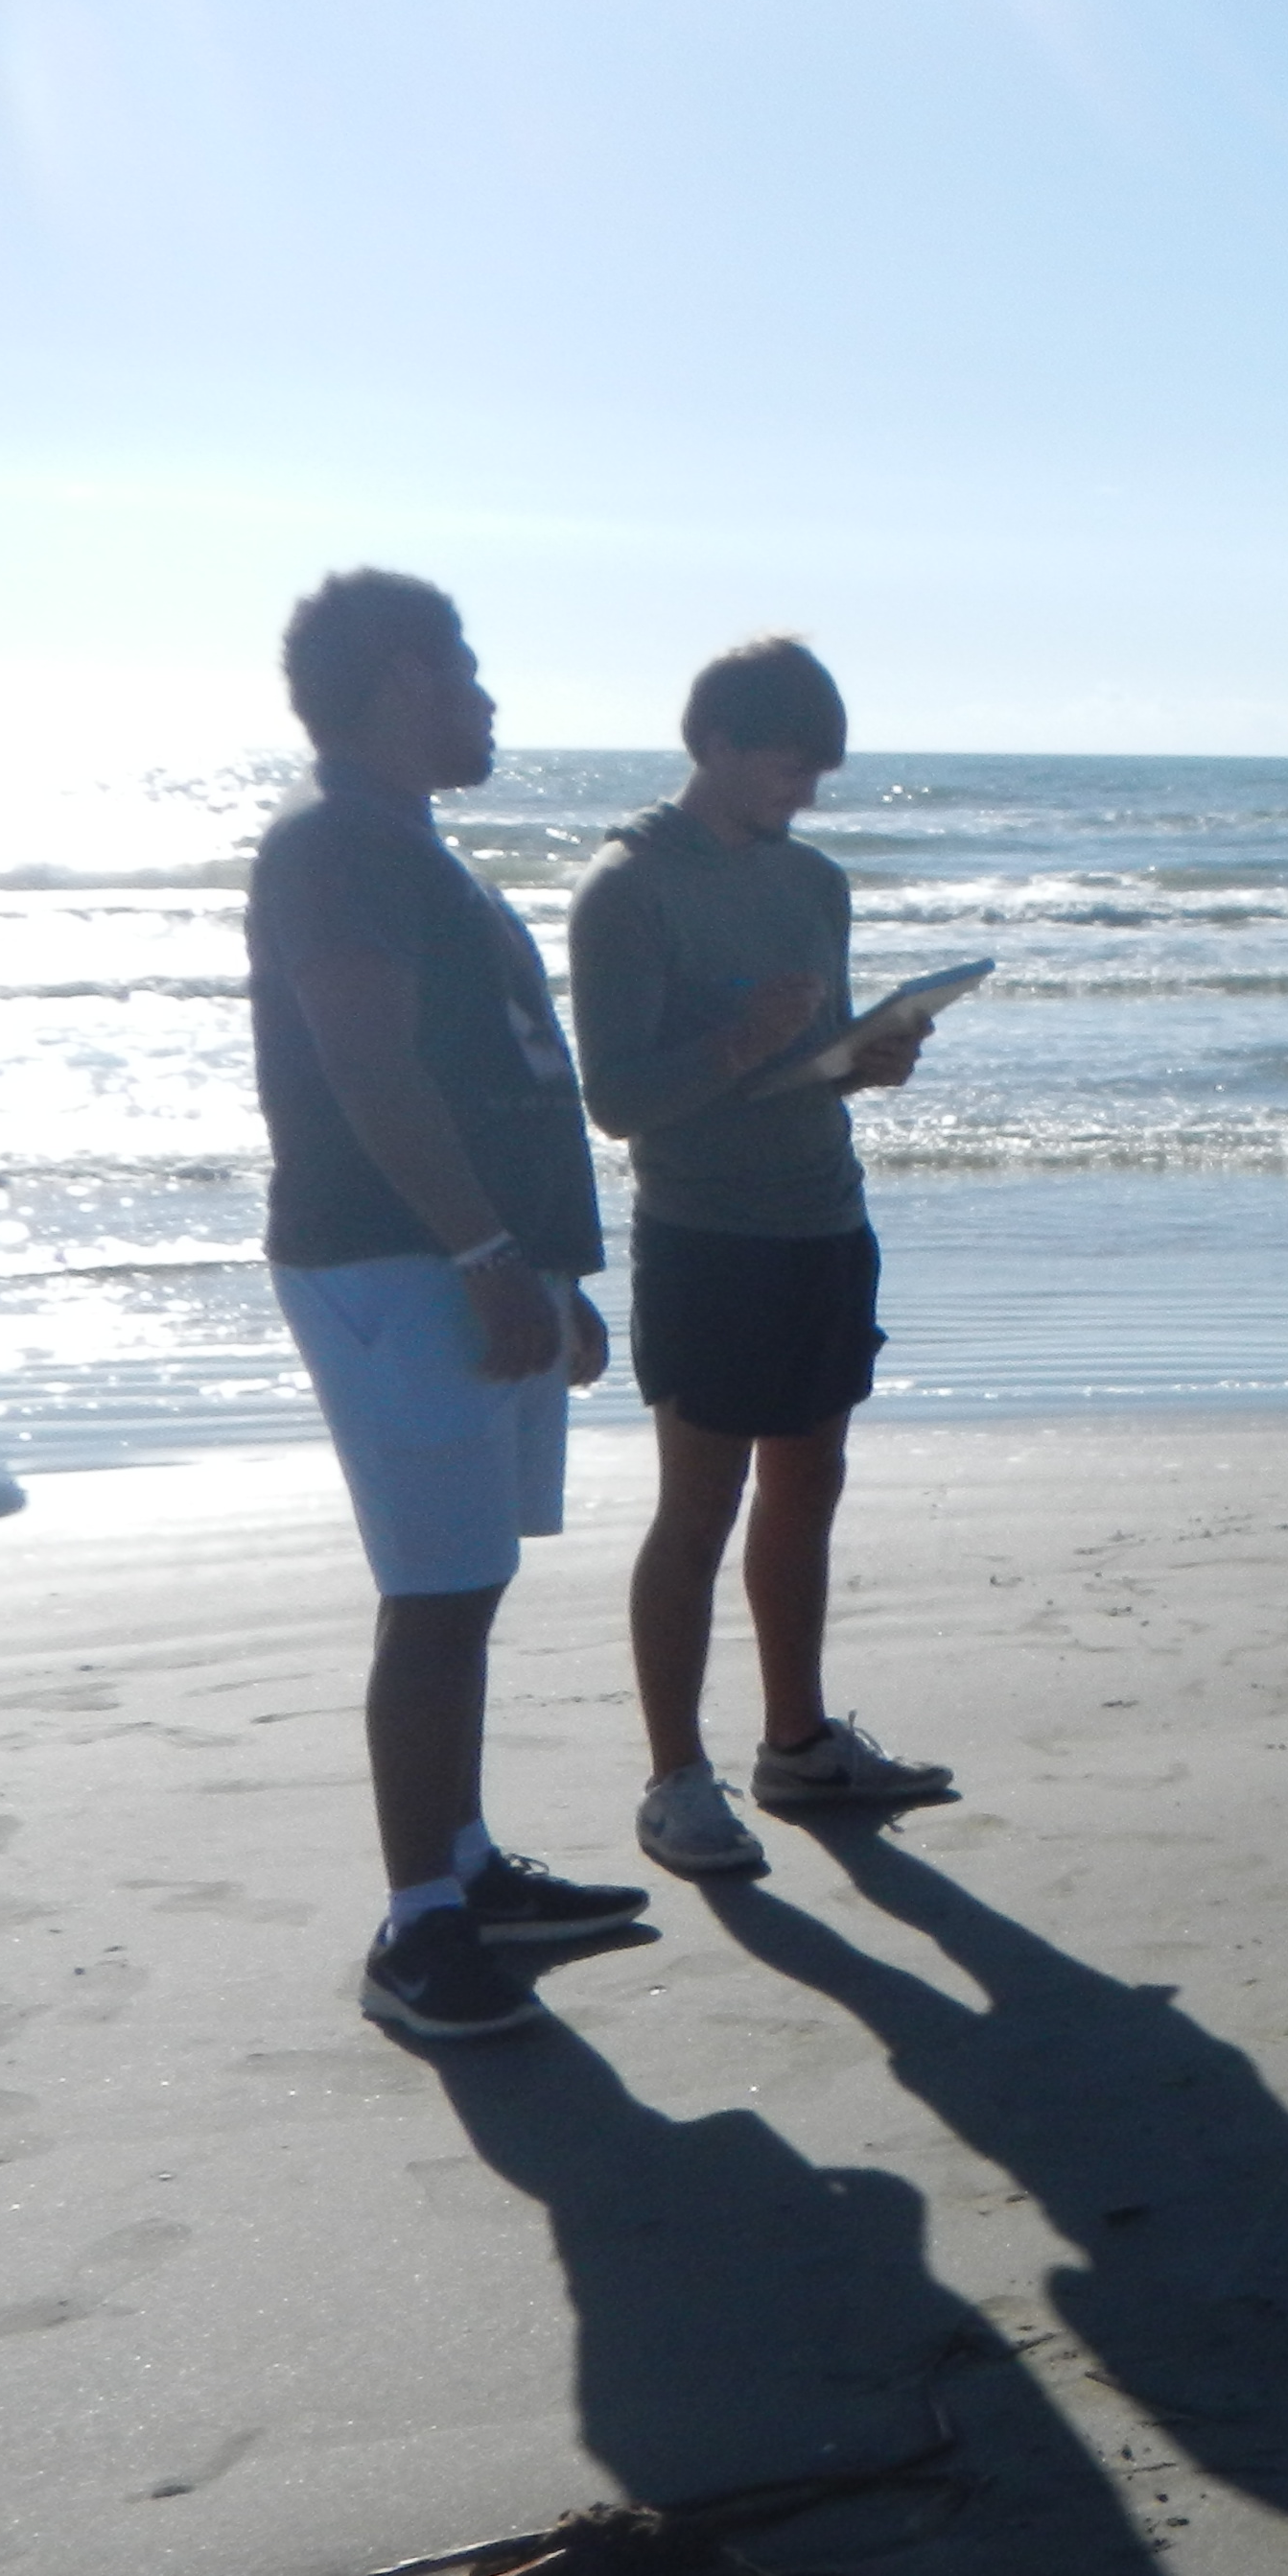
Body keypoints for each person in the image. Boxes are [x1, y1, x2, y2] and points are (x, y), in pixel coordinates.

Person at [246, 571, 647, 2040]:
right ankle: (418, 1927)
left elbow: (501, 1075)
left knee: (469, 1580)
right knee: (432, 1593)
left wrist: (551, 1271)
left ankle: (468, 1869)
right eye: (467, 671)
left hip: (471, 1258)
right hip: (393, 1262)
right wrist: (484, 1254)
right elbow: (368, 1066)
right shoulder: (336, 845)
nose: (487, 699)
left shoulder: (413, 852)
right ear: (405, 677)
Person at [568, 636, 951, 1882]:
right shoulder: (626, 888)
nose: (804, 798)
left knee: (810, 1483)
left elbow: (814, 1056)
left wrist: (870, 1056)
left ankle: (796, 1743)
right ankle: (676, 1781)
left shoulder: (816, 881)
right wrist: (737, 1043)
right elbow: (616, 1101)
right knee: (697, 1508)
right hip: (706, 1235)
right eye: (787, 771)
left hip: (823, 1217)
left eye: (815, 779)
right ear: (717, 744)